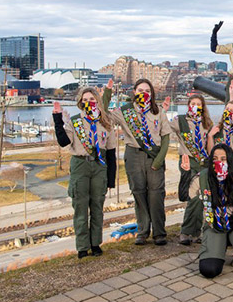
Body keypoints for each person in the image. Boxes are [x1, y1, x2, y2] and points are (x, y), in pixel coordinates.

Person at [103, 79, 171, 245]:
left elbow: (166, 137)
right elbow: (103, 113)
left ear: (151, 93)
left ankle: (159, 233)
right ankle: (143, 231)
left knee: (156, 195)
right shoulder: (125, 111)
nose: (143, 93)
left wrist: (159, 160)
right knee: (139, 193)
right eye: (140, 90)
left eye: (147, 90)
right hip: (133, 155)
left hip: (154, 156)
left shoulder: (158, 111)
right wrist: (107, 93)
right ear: (134, 92)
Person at [53, 88, 117, 258]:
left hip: (99, 166)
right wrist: (57, 119)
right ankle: (82, 246)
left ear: (98, 101)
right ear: (81, 102)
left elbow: (111, 152)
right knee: (80, 208)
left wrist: (111, 179)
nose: (89, 102)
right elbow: (63, 141)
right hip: (80, 165)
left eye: (92, 99)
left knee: (97, 207)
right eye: (85, 99)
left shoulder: (106, 122)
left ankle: (95, 243)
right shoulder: (75, 122)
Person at [187, 144, 233, 278]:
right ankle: (218, 245)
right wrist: (186, 173)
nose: (218, 162)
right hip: (214, 224)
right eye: (215, 159)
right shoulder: (203, 177)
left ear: (230, 161)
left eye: (223, 159)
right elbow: (185, 197)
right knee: (209, 270)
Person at [168, 94, 213, 245]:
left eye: (198, 104)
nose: (195, 106)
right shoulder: (180, 121)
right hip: (188, 161)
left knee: (202, 197)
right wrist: (163, 110)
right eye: (193, 103)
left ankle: (196, 231)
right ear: (188, 105)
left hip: (203, 162)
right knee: (193, 196)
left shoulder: (207, 123)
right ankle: (187, 231)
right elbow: (162, 127)